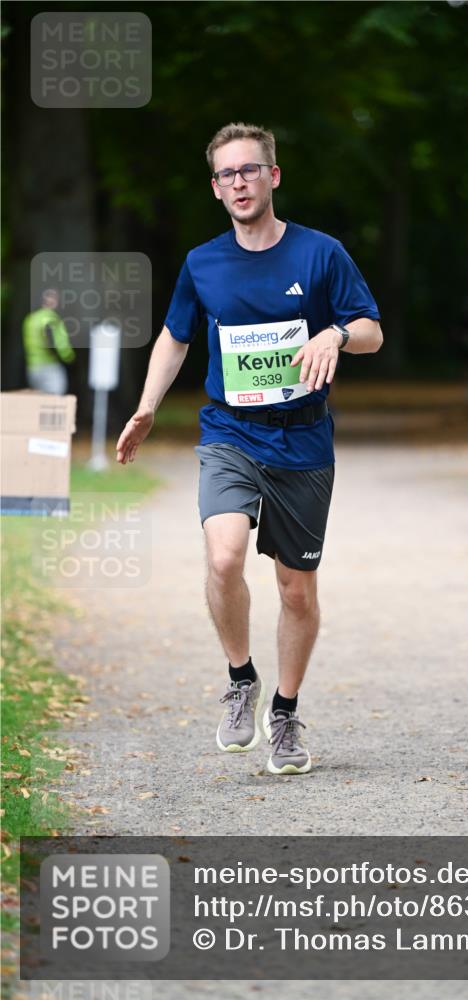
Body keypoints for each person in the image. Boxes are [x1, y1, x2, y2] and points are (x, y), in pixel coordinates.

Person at [116, 122, 383, 775]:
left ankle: (285, 715)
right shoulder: (202, 263)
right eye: (227, 174)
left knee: (295, 590)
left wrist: (335, 338)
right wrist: (148, 405)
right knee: (224, 554)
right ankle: (241, 678)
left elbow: (371, 329)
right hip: (230, 432)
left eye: (250, 170)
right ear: (215, 187)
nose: (239, 181)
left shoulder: (320, 254)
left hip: (303, 440)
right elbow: (175, 336)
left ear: (273, 176)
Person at [22, 289, 76, 394]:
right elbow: (60, 345)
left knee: (39, 402)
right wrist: (71, 360)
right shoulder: (51, 319)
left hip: (32, 368)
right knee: (55, 402)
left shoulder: (30, 319)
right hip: (50, 367)